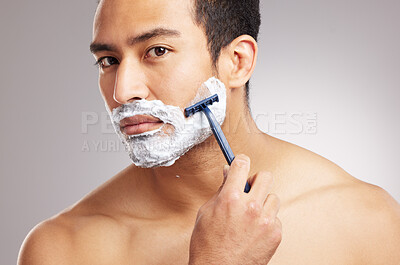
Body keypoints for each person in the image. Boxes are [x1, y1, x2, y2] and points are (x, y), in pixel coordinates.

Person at [18, 0, 400, 264]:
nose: (122, 91)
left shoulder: (367, 222)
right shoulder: (61, 249)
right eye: (108, 60)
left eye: (157, 51)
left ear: (237, 62)